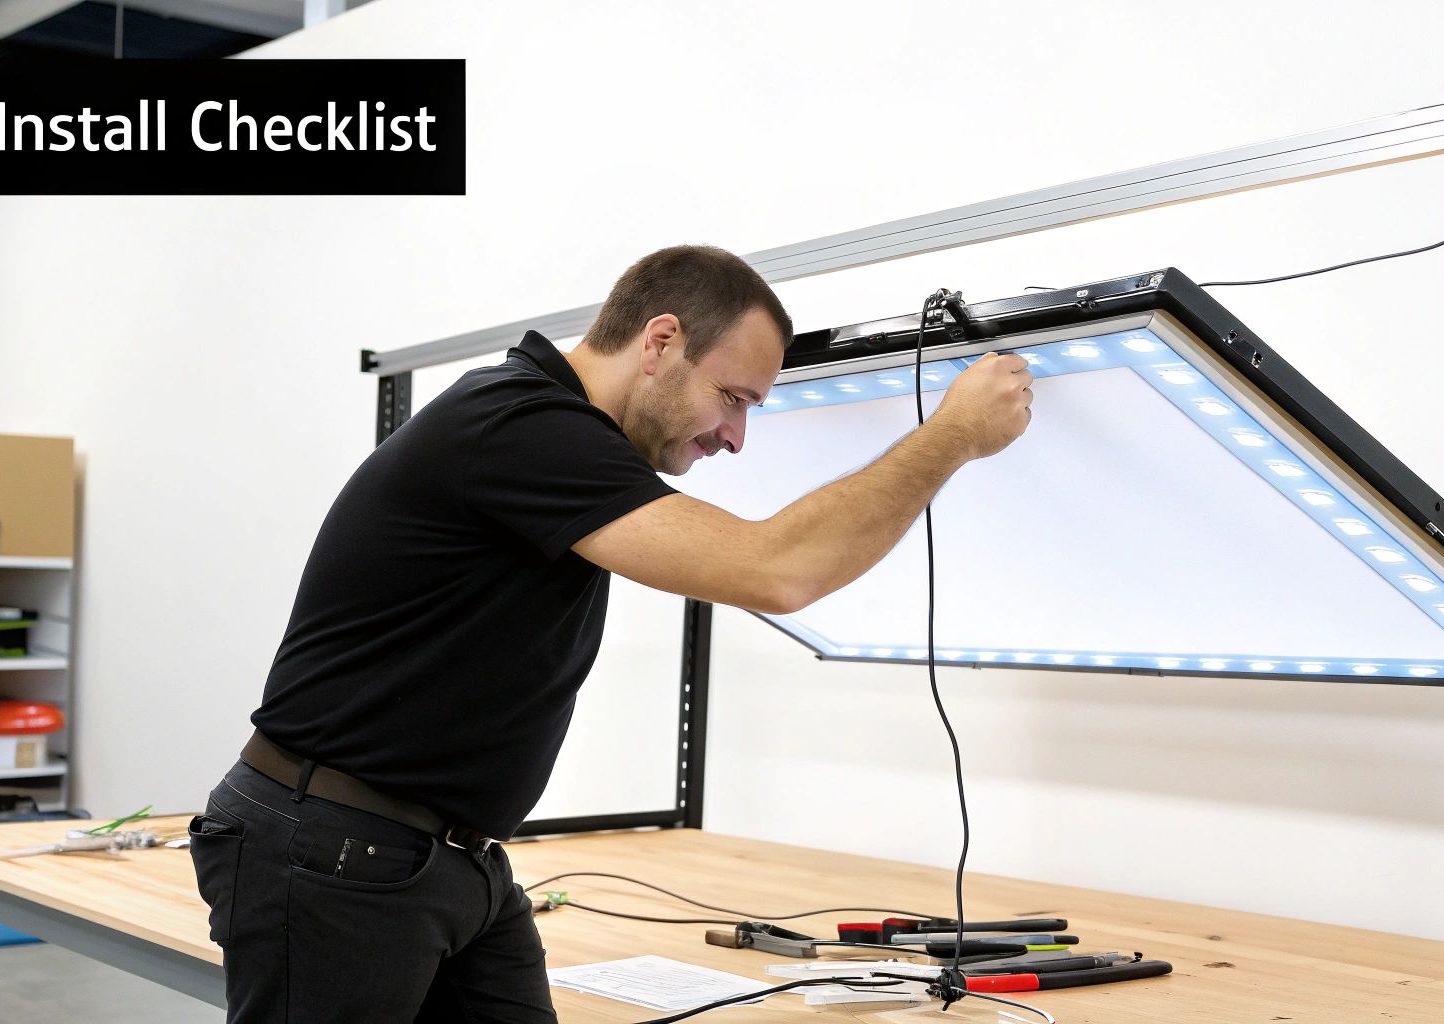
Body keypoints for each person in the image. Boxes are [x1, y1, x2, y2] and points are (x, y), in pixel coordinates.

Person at [189, 245, 1034, 1022]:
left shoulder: (557, 437)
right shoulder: (520, 425)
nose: (735, 436)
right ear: (660, 341)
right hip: (336, 849)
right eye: (732, 398)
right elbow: (776, 569)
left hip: (452, 860)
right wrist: (952, 435)